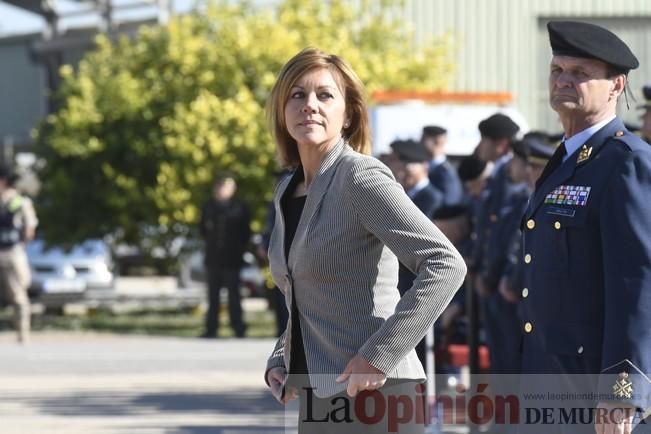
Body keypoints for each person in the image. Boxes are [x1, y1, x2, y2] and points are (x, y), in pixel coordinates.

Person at [263, 47, 467, 433]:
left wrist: (379, 356)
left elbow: (445, 265)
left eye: (325, 95)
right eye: (297, 95)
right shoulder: (287, 190)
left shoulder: (360, 177)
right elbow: (302, 292)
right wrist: (282, 356)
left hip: (377, 395)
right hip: (319, 394)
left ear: (349, 114)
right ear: (281, 110)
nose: (309, 105)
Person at [519, 21, 651, 433]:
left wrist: (622, 391)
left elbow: (638, 285)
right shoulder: (566, 158)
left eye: (580, 73)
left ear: (616, 85)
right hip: (545, 377)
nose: (564, 80)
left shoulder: (626, 162)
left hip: (591, 385)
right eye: (558, 70)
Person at [199, 174, 250, 338]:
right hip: (213, 258)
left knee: (234, 295)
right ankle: (211, 328)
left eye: (226, 186)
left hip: (232, 259)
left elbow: (245, 233)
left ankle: (238, 328)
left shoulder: (239, 207)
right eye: (220, 186)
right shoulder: (209, 207)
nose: (222, 190)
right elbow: (203, 230)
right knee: (213, 296)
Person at [0, 164, 37, 344]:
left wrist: (21, 245)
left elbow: (30, 228)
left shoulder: (20, 202)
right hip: (11, 252)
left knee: (18, 294)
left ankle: (23, 334)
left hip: (11, 253)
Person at [421, 126, 464, 206]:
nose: (420, 143)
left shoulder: (446, 173)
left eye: (423, 139)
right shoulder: (427, 165)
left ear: (438, 142)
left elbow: (451, 203)